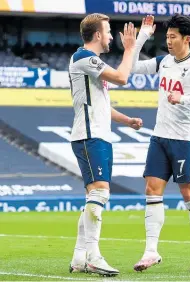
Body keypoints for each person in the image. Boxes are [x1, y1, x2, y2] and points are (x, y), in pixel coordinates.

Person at [131, 14, 190, 273]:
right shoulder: (164, 62)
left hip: (185, 140)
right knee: (151, 189)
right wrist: (141, 38)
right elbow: (133, 68)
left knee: (189, 194)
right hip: (159, 136)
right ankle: (150, 251)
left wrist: (184, 99)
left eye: (173, 37)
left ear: (187, 39)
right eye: (167, 36)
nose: (168, 41)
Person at [68, 13, 143, 276]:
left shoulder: (92, 63)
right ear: (97, 35)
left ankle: (79, 257)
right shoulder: (84, 58)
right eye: (109, 31)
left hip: (98, 134)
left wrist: (127, 120)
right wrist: (130, 50)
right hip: (90, 136)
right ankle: (94, 256)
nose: (112, 36)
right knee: (99, 193)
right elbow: (122, 77)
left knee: (95, 196)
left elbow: (102, 105)